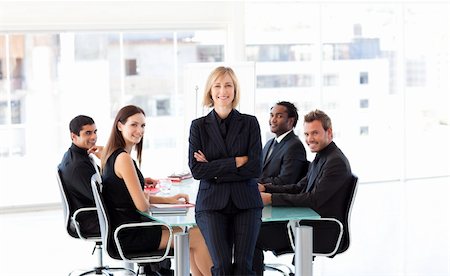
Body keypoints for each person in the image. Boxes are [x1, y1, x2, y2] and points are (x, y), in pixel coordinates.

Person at [100, 105, 212, 276]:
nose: (139, 130)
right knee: (198, 235)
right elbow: (143, 206)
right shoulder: (123, 159)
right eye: (134, 125)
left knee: (191, 236)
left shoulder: (112, 155)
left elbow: (134, 196)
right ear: (120, 125)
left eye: (143, 126)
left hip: (128, 230)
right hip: (130, 235)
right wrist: (145, 197)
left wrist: (170, 200)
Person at [253, 109, 353, 275]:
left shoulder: (335, 162)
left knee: (252, 236)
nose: (309, 139)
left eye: (315, 133)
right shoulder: (322, 156)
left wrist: (271, 199)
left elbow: (313, 200)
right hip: (306, 224)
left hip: (321, 229)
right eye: (306, 134)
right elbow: (300, 187)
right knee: (252, 230)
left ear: (329, 132)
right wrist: (267, 188)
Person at [188, 66, 263, 275]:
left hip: (246, 202)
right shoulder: (198, 126)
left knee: (244, 266)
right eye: (218, 85)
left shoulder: (250, 123)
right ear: (210, 91)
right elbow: (197, 170)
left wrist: (212, 166)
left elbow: (255, 167)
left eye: (228, 85)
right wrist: (236, 161)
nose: (223, 90)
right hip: (211, 204)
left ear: (235, 89)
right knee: (220, 266)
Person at [58, 115, 103, 237]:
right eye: (88, 133)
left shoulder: (78, 156)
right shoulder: (78, 165)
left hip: (94, 216)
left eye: (95, 132)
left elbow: (103, 180)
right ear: (73, 136)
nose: (94, 137)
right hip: (93, 221)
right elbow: (102, 198)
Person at [259, 101, 309, 186]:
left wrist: (255, 182)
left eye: (279, 116)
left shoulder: (294, 146)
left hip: (275, 196)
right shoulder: (269, 143)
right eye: (271, 115)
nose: (273, 120)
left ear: (290, 121)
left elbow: (285, 181)